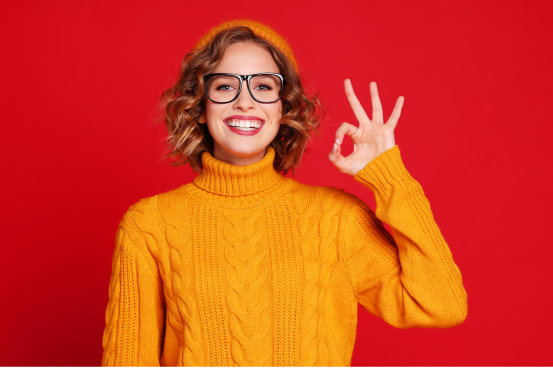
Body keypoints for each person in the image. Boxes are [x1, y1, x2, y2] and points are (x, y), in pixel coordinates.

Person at [101, 19, 468, 367]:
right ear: (199, 107)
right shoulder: (149, 225)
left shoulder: (336, 218)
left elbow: (441, 305)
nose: (245, 102)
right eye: (225, 86)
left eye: (263, 86)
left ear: (283, 107)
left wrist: (389, 176)